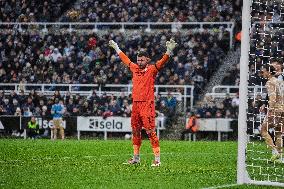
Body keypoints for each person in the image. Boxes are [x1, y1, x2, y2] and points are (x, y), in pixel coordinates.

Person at [109, 39, 177, 167]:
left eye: (142, 60)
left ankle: (157, 160)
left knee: (150, 132)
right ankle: (136, 158)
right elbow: (126, 60)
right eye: (138, 59)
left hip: (147, 105)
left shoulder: (152, 70)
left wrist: (168, 51)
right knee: (135, 131)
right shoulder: (134, 68)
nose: (139, 62)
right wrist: (117, 48)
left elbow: (161, 63)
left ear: (147, 60)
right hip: (135, 105)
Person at [260, 65, 284, 162]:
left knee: (263, 130)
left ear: (269, 72)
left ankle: (275, 152)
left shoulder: (270, 82)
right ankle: (281, 158)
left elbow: (273, 98)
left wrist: (270, 110)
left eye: (263, 72)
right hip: (282, 109)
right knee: (278, 132)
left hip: (275, 109)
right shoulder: (279, 81)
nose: (262, 74)